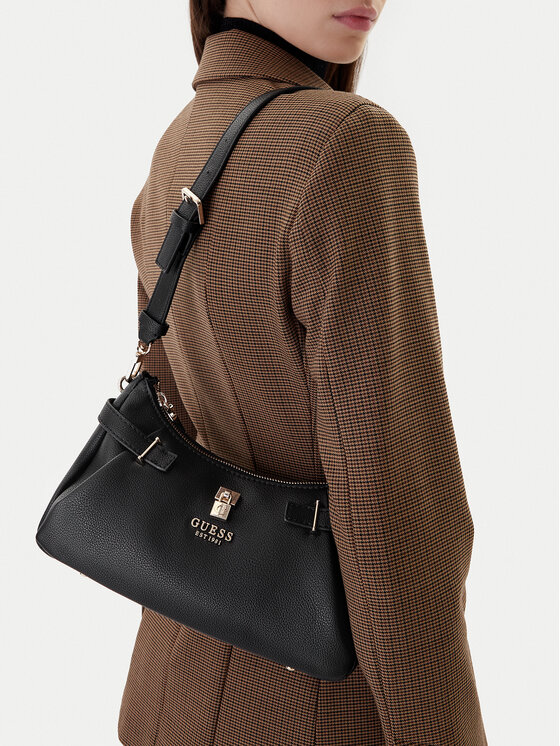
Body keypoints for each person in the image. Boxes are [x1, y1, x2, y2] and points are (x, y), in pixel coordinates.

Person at [117, 2, 487, 744]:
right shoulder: (348, 143)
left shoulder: (181, 139)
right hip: (305, 707)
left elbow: (170, 401)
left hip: (164, 684)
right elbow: (394, 505)